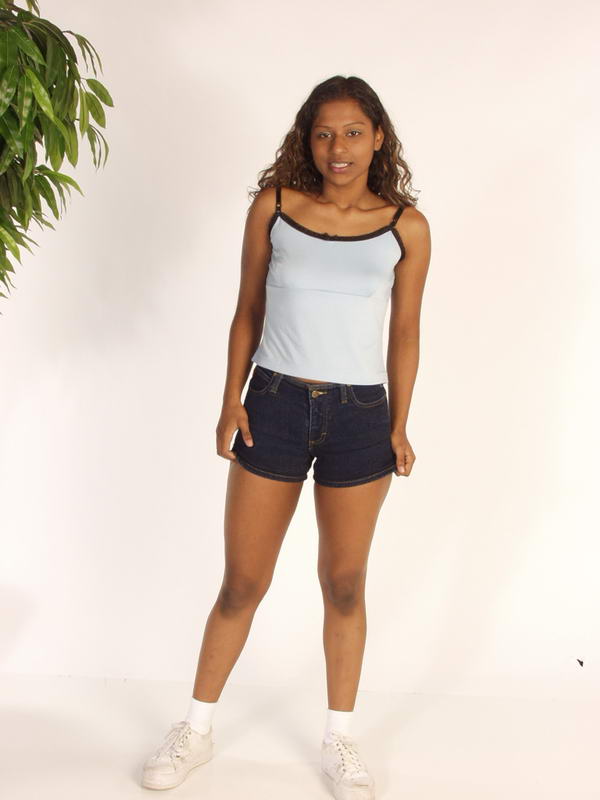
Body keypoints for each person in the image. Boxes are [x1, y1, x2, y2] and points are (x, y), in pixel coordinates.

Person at [141, 74, 431, 798]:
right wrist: (230, 401)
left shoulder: (406, 227)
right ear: (308, 138)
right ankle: (195, 730)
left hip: (361, 417)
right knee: (243, 582)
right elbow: (247, 309)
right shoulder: (274, 208)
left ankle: (340, 739)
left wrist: (399, 422)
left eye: (353, 132)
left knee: (344, 583)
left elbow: (404, 332)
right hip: (271, 405)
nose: (339, 147)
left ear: (378, 138)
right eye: (324, 133)